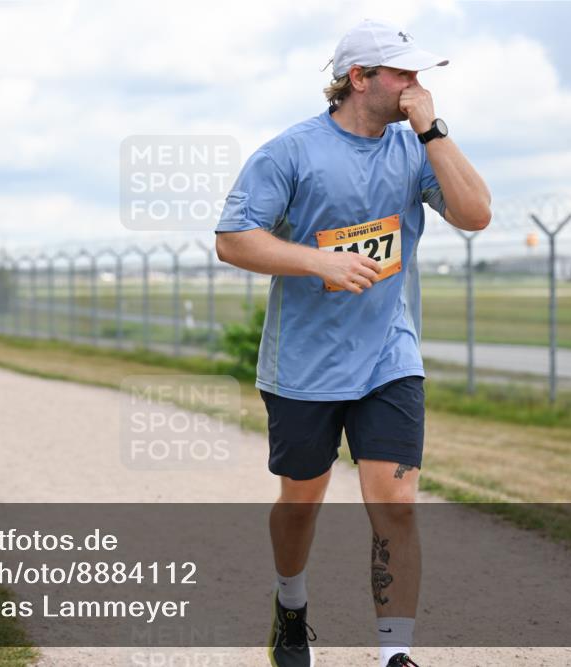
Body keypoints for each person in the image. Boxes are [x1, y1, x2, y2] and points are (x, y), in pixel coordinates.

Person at [214, 19, 491, 667]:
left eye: (420, 74)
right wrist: (319, 263)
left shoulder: (415, 147)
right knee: (301, 502)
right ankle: (290, 604)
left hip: (389, 357)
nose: (415, 85)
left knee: (394, 503)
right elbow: (233, 238)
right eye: (403, 74)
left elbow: (476, 215)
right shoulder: (291, 152)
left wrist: (434, 130)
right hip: (303, 367)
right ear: (359, 78)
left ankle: (396, 654)